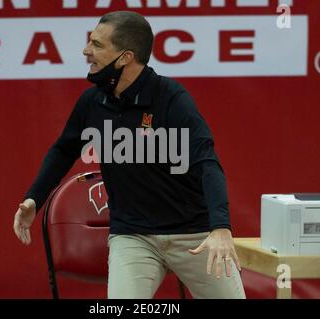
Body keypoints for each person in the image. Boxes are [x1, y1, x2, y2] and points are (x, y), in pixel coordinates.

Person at [13, 11, 246, 299]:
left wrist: (221, 227)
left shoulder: (172, 99)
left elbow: (206, 162)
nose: (86, 51)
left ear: (125, 57)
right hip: (133, 235)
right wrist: (34, 198)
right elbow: (64, 150)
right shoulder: (92, 102)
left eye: (97, 45)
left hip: (193, 235)